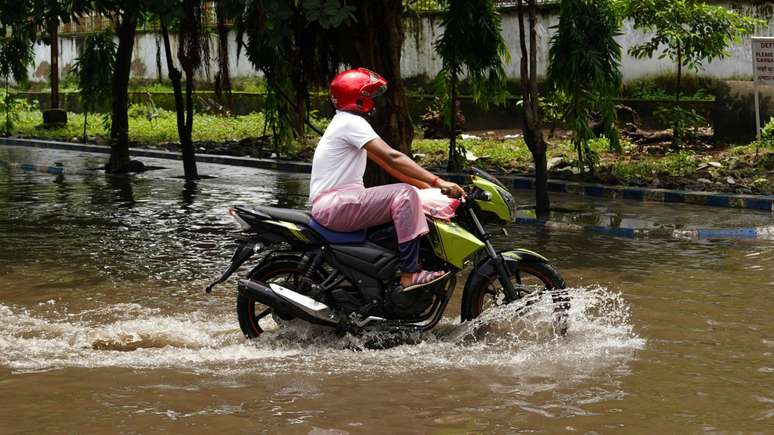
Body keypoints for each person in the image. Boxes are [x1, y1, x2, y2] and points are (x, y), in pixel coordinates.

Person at [310, 67, 465, 291]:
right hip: (336, 204)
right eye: (369, 95)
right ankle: (410, 272)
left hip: (338, 203)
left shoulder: (344, 123)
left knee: (407, 192)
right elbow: (393, 157)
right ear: (358, 97)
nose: (373, 101)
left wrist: (431, 188)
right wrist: (438, 182)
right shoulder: (351, 123)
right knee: (404, 194)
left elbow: (389, 166)